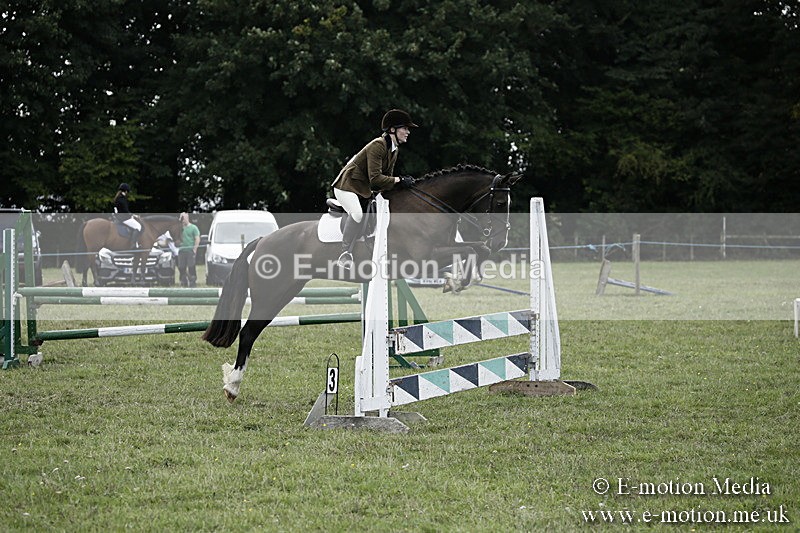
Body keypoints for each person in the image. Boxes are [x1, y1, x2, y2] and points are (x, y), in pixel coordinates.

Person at [332, 108, 418, 268]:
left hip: (363, 188)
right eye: (405, 128)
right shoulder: (378, 145)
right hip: (347, 186)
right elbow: (376, 179)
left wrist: (403, 185)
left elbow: (386, 181)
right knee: (357, 214)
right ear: (392, 129)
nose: (408, 132)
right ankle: (345, 253)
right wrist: (400, 180)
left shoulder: (394, 149)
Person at [113, 183, 142, 249]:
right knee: (138, 226)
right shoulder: (122, 199)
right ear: (126, 191)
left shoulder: (117, 198)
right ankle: (133, 244)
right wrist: (134, 215)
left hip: (118, 217)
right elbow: (125, 211)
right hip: (123, 218)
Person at [177, 212, 201, 287]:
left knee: (191, 266)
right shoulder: (179, 228)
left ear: (187, 218)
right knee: (181, 267)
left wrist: (195, 249)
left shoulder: (193, 228)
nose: (183, 220)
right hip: (181, 250)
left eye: (184, 218)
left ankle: (193, 281)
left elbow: (197, 238)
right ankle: (183, 280)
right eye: (181, 219)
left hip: (190, 250)